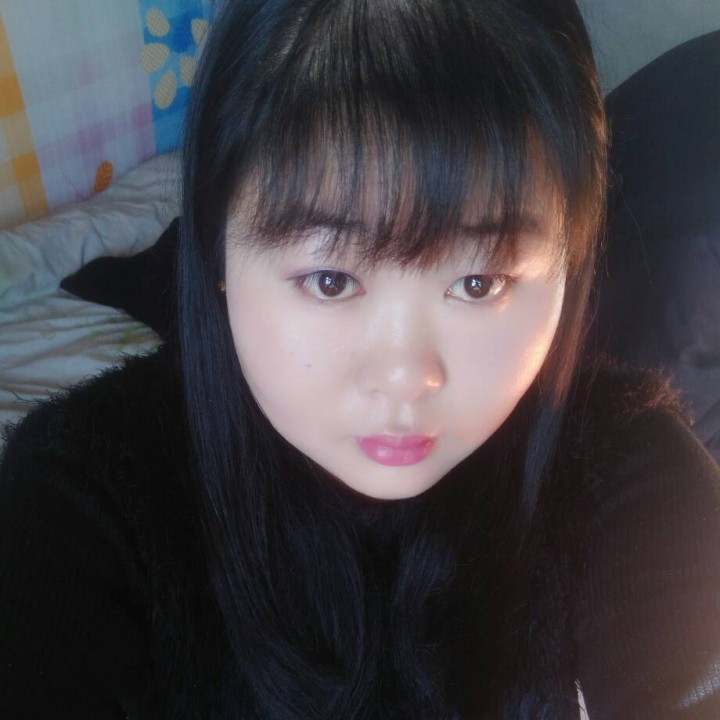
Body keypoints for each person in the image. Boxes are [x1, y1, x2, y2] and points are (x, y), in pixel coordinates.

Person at [1, 0, 719, 718]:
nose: (406, 377)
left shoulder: (625, 469)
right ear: (217, 252)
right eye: (330, 280)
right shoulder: (82, 501)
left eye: (479, 283)